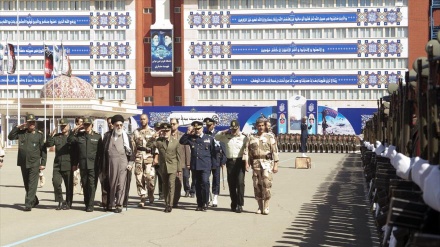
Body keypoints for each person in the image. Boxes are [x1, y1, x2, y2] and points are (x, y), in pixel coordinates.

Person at [8, 113, 47, 211]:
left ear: (35, 123)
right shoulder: (22, 133)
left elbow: (43, 150)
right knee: (26, 184)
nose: (32, 124)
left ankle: (28, 204)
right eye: (30, 122)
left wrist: (43, 163)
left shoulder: (39, 135)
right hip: (23, 162)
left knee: (32, 184)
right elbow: (10, 137)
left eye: (33, 122)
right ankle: (34, 200)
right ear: (27, 123)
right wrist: (17, 127)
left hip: (34, 163)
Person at [243, 117, 279, 215]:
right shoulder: (251, 137)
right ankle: (260, 206)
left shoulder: (269, 137)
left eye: (262, 125)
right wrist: (246, 163)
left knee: (266, 184)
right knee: (257, 185)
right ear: (256, 126)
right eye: (259, 125)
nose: (261, 127)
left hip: (266, 163)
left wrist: (276, 164)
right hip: (255, 164)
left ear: (265, 126)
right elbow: (247, 151)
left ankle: (266, 206)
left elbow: (275, 151)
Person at [179, 121, 216, 211]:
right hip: (195, 165)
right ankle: (199, 204)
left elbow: (213, 152)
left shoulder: (209, 138)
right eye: (195, 129)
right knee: (197, 185)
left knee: (205, 182)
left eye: (199, 129)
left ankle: (205, 202)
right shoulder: (191, 138)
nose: (197, 130)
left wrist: (214, 165)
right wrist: (188, 133)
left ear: (202, 128)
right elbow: (182, 141)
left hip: (205, 165)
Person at [68, 117, 103, 212]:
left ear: (92, 125)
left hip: (93, 165)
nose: (87, 127)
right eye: (85, 125)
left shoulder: (97, 136)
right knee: (85, 184)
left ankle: (90, 204)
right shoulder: (79, 136)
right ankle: (87, 202)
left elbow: (101, 152)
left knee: (92, 185)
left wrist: (101, 165)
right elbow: (70, 141)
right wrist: (74, 130)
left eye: (89, 125)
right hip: (83, 164)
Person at [102, 115, 134, 213]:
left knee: (121, 184)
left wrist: (130, 163)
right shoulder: (108, 136)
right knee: (112, 184)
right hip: (111, 163)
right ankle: (111, 203)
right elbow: (103, 151)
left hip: (123, 162)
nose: (119, 127)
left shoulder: (126, 137)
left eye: (121, 125)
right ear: (113, 125)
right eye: (117, 125)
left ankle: (119, 204)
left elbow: (132, 152)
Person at [215, 119, 249, 213]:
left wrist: (247, 162)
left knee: (240, 183)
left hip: (240, 161)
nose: (234, 131)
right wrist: (224, 131)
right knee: (232, 184)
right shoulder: (226, 136)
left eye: (235, 129)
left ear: (239, 128)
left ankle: (240, 204)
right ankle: (234, 203)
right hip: (230, 162)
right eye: (232, 129)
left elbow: (248, 147)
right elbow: (216, 137)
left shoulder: (244, 137)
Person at [46, 118, 75, 210]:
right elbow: (49, 144)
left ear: (68, 126)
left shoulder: (72, 137)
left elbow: (75, 148)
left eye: (64, 126)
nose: (62, 127)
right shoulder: (57, 136)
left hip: (68, 164)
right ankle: (60, 201)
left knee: (69, 186)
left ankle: (68, 203)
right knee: (56, 182)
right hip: (57, 165)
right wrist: (50, 136)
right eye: (61, 126)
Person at [154, 122, 182, 213]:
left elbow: (178, 156)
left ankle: (170, 204)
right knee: (165, 185)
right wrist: (154, 136)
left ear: (170, 131)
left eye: (167, 131)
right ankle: (166, 203)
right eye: (164, 131)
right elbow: (148, 145)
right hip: (163, 167)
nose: (166, 132)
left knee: (171, 185)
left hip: (172, 166)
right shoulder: (159, 141)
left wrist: (179, 169)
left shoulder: (175, 142)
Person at [131, 114, 157, 206]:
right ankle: (142, 197)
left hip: (149, 157)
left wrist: (156, 158)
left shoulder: (153, 132)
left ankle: (151, 192)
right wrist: (131, 161)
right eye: (141, 119)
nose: (142, 121)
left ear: (148, 120)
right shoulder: (136, 132)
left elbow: (156, 146)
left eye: (144, 119)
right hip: (139, 157)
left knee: (149, 177)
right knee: (139, 178)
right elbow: (133, 147)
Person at [203, 117, 226, 207]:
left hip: (216, 159)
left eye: (210, 125)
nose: (208, 127)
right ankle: (208, 196)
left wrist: (223, 160)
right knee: (205, 179)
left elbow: (223, 148)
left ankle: (215, 196)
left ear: (214, 124)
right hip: (207, 160)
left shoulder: (219, 134)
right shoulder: (204, 134)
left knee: (216, 179)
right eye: (207, 125)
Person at [169, 118, 191, 205]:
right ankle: (169, 201)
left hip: (180, 164)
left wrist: (188, 163)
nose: (172, 125)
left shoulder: (182, 136)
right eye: (171, 124)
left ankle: (175, 201)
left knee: (178, 183)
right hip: (169, 163)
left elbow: (186, 150)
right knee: (170, 183)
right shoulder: (167, 135)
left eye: (174, 124)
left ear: (178, 124)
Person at [98, 117, 113, 210]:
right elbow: (101, 150)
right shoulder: (106, 135)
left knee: (113, 184)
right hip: (105, 164)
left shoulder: (119, 135)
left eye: (111, 123)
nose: (110, 124)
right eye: (109, 123)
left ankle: (112, 203)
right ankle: (105, 203)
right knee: (104, 184)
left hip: (114, 164)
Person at [153, 122, 164, 200]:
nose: (158, 130)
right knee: (151, 178)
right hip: (151, 158)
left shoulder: (163, 138)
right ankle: (150, 194)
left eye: (160, 128)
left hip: (161, 159)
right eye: (157, 128)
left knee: (161, 178)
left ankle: (161, 194)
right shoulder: (152, 136)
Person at [73, 117, 83, 195]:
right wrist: (75, 130)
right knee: (75, 174)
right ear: (77, 123)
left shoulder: (85, 132)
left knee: (82, 173)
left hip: (82, 155)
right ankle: (74, 186)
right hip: (75, 155)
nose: (81, 124)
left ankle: (82, 188)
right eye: (80, 122)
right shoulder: (74, 132)